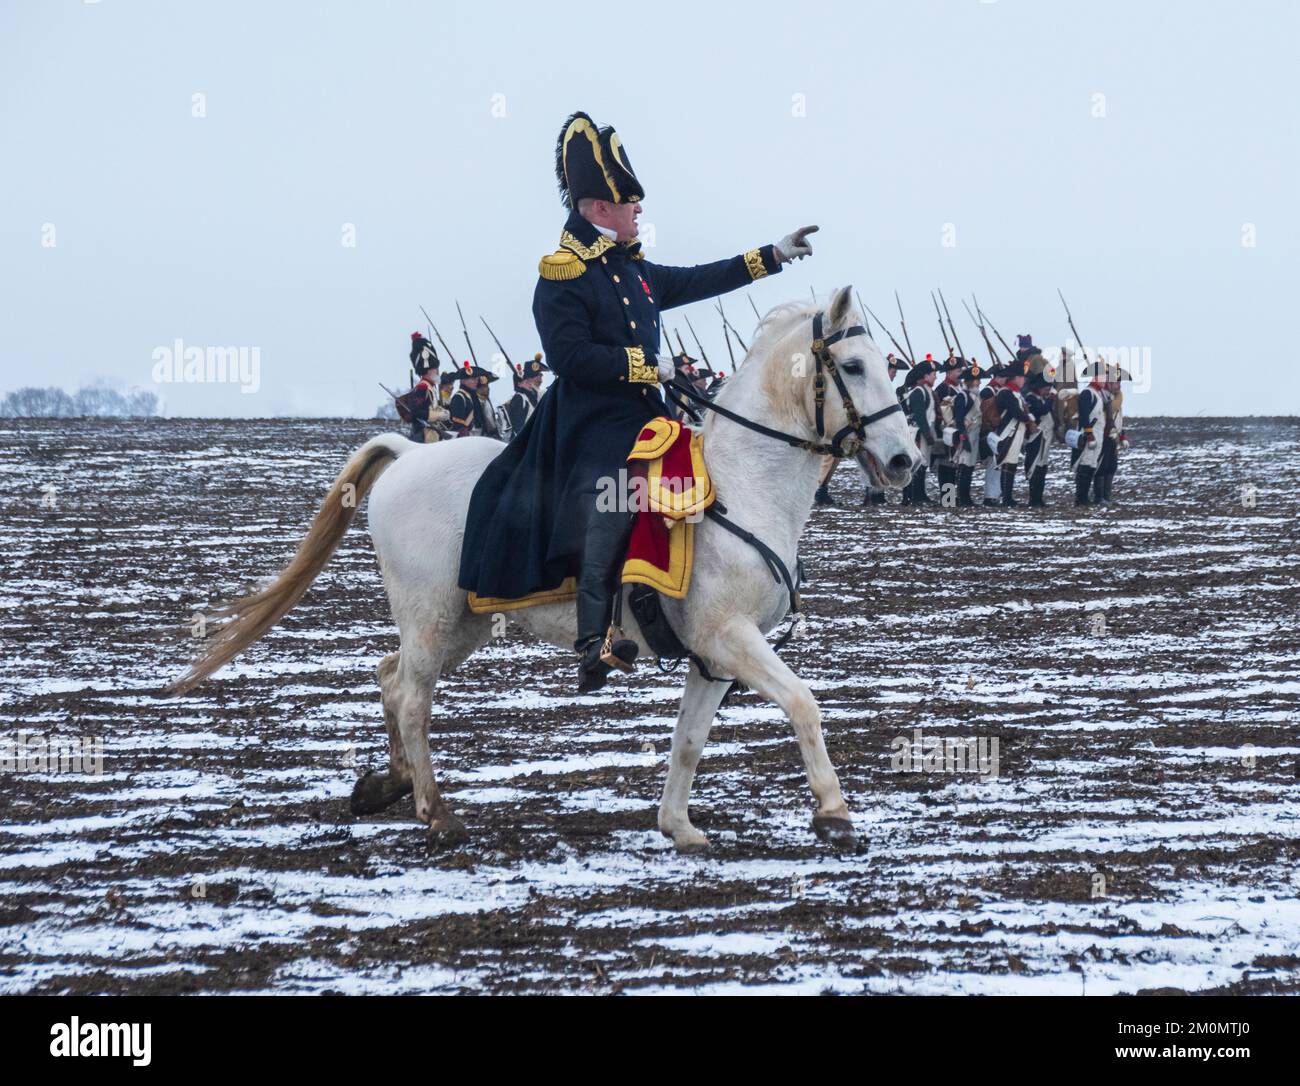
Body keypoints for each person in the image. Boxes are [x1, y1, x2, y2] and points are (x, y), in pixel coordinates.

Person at [457, 110, 817, 694]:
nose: (639, 211)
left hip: (644, 415)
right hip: (588, 421)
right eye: (630, 203)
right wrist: (648, 366)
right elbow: (569, 358)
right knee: (615, 497)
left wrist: (771, 255)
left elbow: (703, 278)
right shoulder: (561, 274)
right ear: (598, 209)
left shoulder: (634, 271)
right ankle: (593, 639)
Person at [902, 357, 938, 505]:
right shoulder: (918, 392)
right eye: (933, 373)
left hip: (924, 432)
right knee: (917, 464)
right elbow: (920, 415)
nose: (935, 376)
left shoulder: (926, 391)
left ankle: (920, 495)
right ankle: (913, 496)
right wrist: (927, 433)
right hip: (917, 433)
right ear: (925, 376)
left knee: (923, 464)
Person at [994, 362, 1030, 506]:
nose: (1024, 380)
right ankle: (1006, 498)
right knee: (1008, 464)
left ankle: (1008, 497)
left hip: (1016, 432)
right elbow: (1016, 412)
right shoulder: (1006, 392)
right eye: (1021, 377)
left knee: (1012, 464)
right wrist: (1028, 418)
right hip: (1008, 432)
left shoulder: (1015, 393)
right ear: (1015, 378)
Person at [1071, 367, 1107, 505]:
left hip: (1097, 434)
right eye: (1102, 376)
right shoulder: (1088, 393)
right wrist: (1088, 433)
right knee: (1085, 464)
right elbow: (1084, 415)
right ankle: (1081, 498)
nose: (1104, 380)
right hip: (1090, 434)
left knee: (1092, 464)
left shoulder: (1098, 393)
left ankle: (1085, 497)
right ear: (1094, 377)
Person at [932, 353, 964, 505]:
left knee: (955, 466)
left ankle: (952, 497)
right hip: (946, 432)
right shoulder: (943, 389)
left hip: (957, 432)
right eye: (958, 371)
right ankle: (947, 499)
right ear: (949, 372)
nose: (961, 374)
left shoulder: (959, 388)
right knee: (946, 467)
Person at [950, 361, 983, 507]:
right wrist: (964, 437)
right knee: (963, 468)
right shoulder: (962, 397)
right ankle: (961, 498)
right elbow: (959, 418)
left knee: (969, 468)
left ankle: (965, 497)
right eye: (977, 380)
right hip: (966, 437)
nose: (979, 382)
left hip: (974, 436)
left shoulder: (976, 396)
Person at [1021, 370, 1056, 507]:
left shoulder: (1041, 399)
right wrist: (1051, 399)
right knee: (1035, 467)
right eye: (1045, 389)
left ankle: (1038, 498)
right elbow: (1042, 410)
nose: (1047, 392)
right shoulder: (1031, 398)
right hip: (1036, 437)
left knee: (1042, 468)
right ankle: (1033, 498)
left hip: (1045, 437)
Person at [447, 362, 499, 437]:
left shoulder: (471, 397)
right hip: (468, 439)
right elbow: (458, 426)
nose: (476, 381)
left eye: (476, 379)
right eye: (473, 379)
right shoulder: (459, 397)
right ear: (463, 381)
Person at [503, 353, 549, 436]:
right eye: (525, 381)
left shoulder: (532, 397)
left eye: (528, 381)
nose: (528, 383)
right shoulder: (519, 398)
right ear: (519, 384)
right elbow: (518, 426)